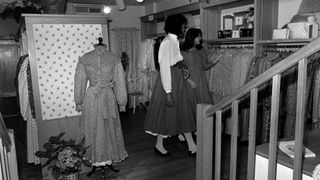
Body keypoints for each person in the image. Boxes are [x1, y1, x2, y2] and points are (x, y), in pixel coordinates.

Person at [144, 14, 197, 157]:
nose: (185, 28)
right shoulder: (167, 42)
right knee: (167, 113)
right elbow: (165, 68)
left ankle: (191, 144)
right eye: (183, 26)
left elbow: (176, 61)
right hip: (170, 81)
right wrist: (168, 91)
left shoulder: (175, 41)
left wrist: (184, 70)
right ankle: (159, 144)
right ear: (176, 25)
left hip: (178, 79)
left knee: (183, 111)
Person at [74, 38, 128, 173]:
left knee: (109, 127)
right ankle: (96, 158)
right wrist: (78, 100)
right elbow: (79, 81)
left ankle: (107, 158)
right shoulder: (85, 58)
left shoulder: (114, 59)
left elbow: (120, 82)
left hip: (108, 98)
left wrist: (122, 102)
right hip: (91, 97)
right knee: (92, 127)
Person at [181, 28, 218, 105]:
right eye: (198, 36)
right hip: (188, 81)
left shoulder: (201, 49)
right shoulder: (182, 52)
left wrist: (215, 61)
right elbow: (181, 69)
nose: (200, 38)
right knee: (191, 105)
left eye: (200, 36)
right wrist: (189, 81)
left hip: (201, 81)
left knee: (203, 106)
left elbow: (205, 66)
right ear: (191, 37)